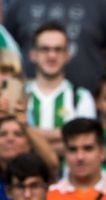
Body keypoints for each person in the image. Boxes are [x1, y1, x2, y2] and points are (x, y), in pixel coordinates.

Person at [4, 0, 106, 92]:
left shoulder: (101, 5)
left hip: (87, 101)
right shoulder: (19, 3)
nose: (52, 55)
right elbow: (7, 49)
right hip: (27, 100)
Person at [26, 22, 96, 155]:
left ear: (67, 55)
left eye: (58, 49)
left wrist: (29, 134)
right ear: (33, 55)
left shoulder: (81, 97)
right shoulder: (19, 94)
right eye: (45, 49)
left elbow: (83, 144)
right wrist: (63, 136)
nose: (52, 56)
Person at [0, 113, 59, 200]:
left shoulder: (39, 175)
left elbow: (53, 164)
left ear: (29, 144)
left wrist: (26, 127)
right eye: (3, 134)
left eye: (18, 134)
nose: (10, 139)